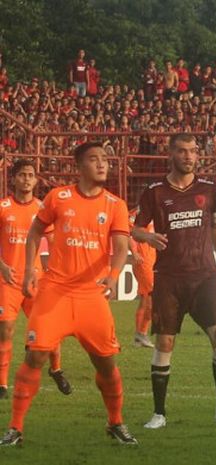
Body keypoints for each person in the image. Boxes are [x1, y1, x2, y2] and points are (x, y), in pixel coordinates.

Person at [0, 142, 136, 446]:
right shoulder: (58, 197)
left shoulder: (116, 204)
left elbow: (122, 245)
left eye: (105, 160)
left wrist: (113, 276)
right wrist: (31, 269)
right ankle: (15, 428)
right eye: (94, 159)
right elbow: (36, 231)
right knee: (35, 355)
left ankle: (115, 422)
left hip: (92, 298)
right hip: (55, 293)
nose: (102, 164)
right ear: (79, 166)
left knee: (106, 365)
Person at [132, 134, 216, 430]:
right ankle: (159, 413)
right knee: (165, 341)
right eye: (182, 151)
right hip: (168, 278)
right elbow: (135, 229)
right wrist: (148, 236)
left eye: (193, 151)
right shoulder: (154, 192)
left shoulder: (209, 189)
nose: (189, 156)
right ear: (171, 154)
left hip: (204, 276)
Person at [0, 160, 72, 400]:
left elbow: (53, 244)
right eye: (22, 175)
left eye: (30, 175)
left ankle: (56, 369)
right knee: (6, 330)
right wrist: (2, 267)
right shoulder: (3, 206)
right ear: (13, 179)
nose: (27, 179)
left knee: (49, 328)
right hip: (8, 279)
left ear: (35, 180)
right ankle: (2, 384)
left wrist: (56, 272)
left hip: (36, 280)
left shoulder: (42, 208)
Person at [128, 209, 156, 348]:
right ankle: (142, 334)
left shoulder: (155, 211)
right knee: (152, 299)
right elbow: (129, 234)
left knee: (145, 299)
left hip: (152, 261)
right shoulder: (137, 214)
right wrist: (134, 252)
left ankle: (139, 336)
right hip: (143, 262)